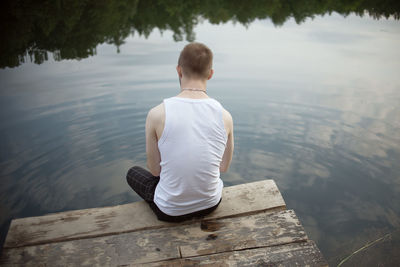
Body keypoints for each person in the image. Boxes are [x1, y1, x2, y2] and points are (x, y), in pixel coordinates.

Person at [126, 42, 234, 222]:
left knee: (132, 173)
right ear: (210, 74)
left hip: (170, 211)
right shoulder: (225, 116)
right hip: (211, 204)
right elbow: (223, 168)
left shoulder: (157, 114)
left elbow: (154, 170)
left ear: (178, 70)